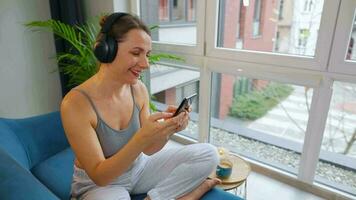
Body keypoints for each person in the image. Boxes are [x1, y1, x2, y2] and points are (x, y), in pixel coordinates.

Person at [60, 12, 220, 200]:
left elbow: (149, 149)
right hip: (100, 186)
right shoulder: (76, 104)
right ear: (106, 50)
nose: (145, 64)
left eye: (147, 54)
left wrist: (169, 130)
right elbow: (100, 176)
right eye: (136, 53)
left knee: (209, 154)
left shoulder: (138, 90)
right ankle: (189, 196)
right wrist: (142, 137)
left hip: (139, 168)